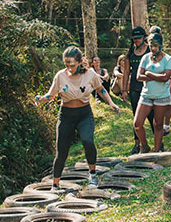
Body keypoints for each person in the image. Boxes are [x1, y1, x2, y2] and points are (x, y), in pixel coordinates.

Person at [34, 46, 120, 190]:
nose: (69, 68)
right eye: (66, 65)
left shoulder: (90, 74)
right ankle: (55, 185)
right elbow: (51, 95)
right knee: (61, 151)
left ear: (80, 62)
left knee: (87, 140)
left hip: (84, 114)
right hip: (66, 115)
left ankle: (92, 176)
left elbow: (101, 89)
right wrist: (41, 99)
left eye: (72, 65)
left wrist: (111, 103)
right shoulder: (60, 75)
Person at [133, 32, 171, 152]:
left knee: (158, 124)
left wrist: (149, 73)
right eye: (151, 46)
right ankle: (144, 145)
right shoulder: (145, 58)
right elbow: (138, 76)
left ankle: (157, 149)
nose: (153, 48)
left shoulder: (168, 59)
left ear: (161, 45)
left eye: (156, 45)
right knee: (137, 123)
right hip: (146, 94)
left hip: (161, 95)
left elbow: (166, 77)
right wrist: (157, 76)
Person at [121, 26, 156, 155]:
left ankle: (158, 143)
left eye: (139, 38)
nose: (137, 41)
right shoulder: (130, 53)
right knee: (136, 117)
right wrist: (124, 90)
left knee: (153, 115)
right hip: (135, 89)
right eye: (134, 39)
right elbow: (126, 73)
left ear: (144, 38)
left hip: (149, 87)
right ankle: (138, 144)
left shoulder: (150, 50)